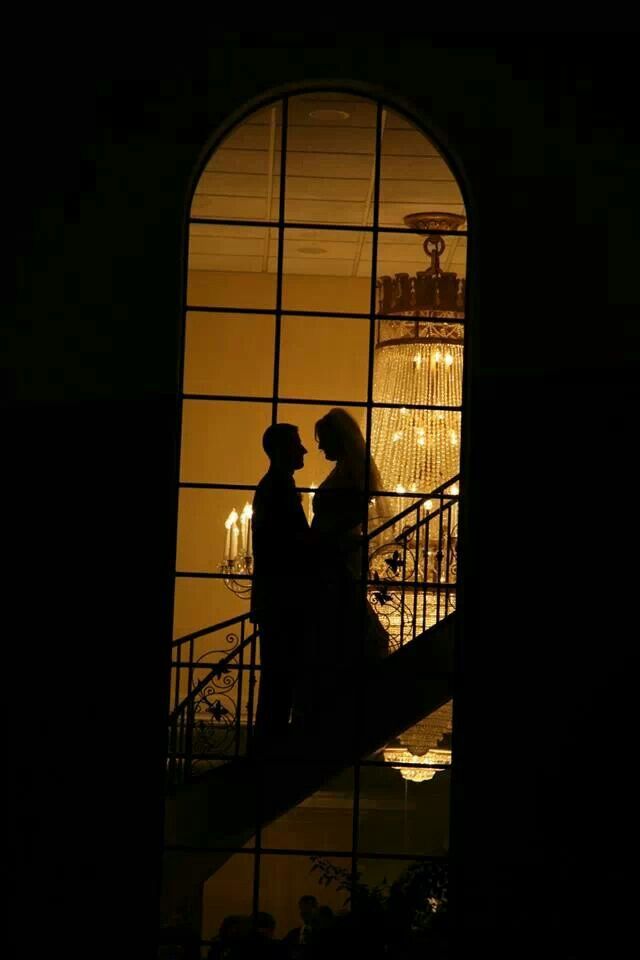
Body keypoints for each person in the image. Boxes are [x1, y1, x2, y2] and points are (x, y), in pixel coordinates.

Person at [301, 409, 389, 718]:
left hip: (336, 561)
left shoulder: (350, 475)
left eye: (324, 441)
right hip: (331, 559)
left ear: (339, 439)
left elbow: (349, 519)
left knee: (339, 626)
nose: (320, 447)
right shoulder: (346, 471)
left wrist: (323, 539)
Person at [250, 423, 310, 746]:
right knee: (278, 678)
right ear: (282, 450)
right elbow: (290, 546)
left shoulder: (275, 486)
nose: (304, 450)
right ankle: (269, 746)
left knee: (277, 677)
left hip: (276, 601)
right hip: (281, 602)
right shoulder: (277, 489)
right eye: (298, 444)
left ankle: (269, 742)